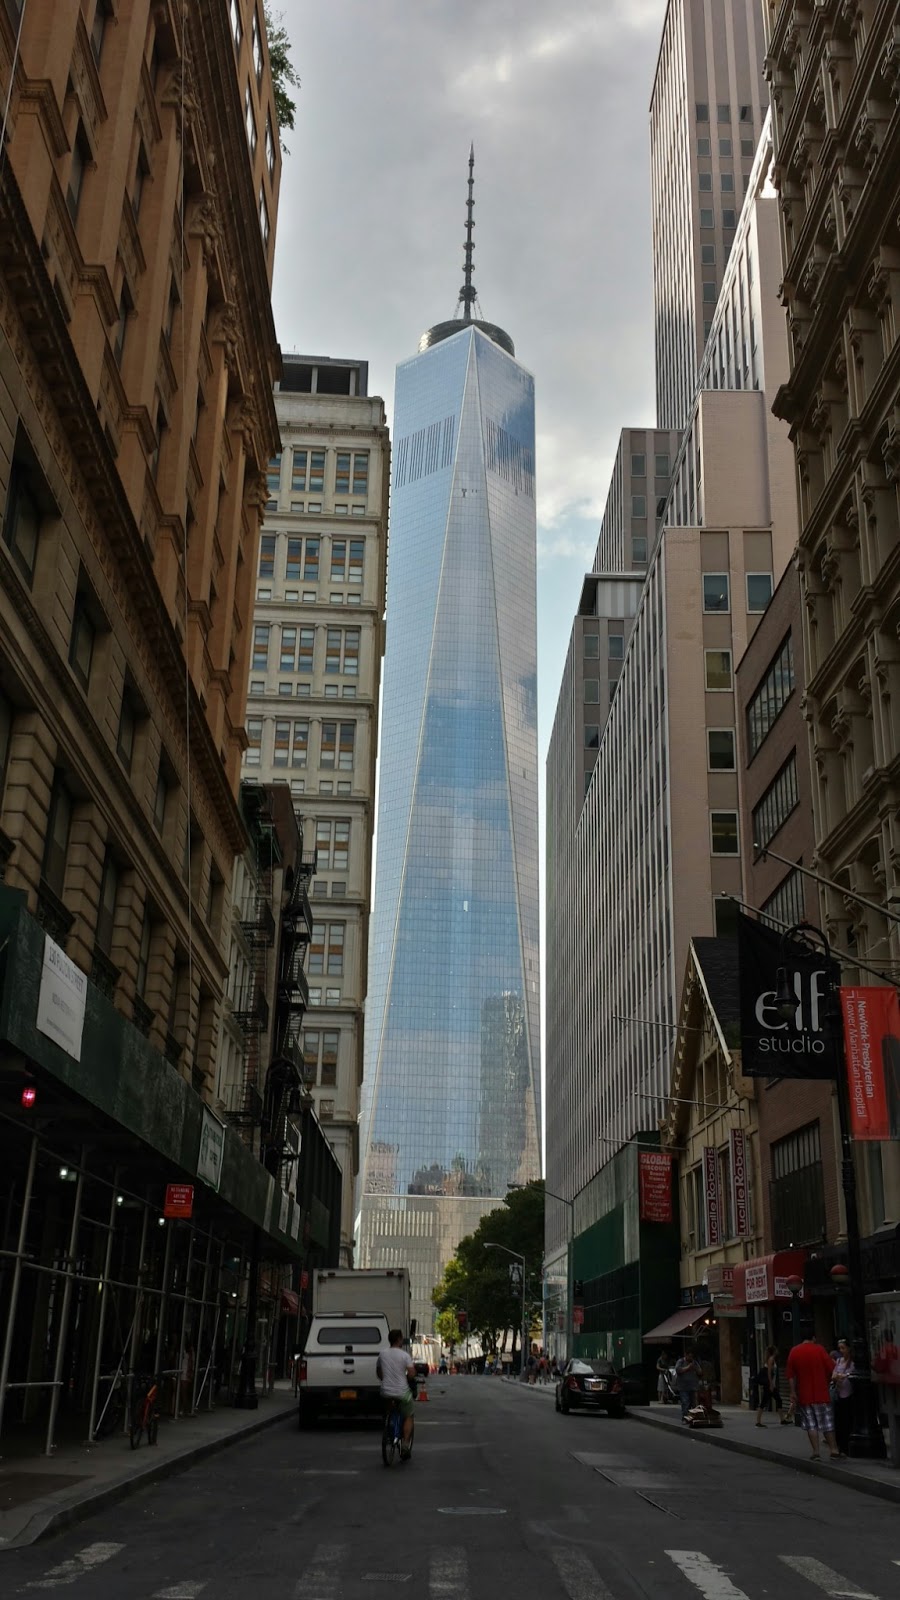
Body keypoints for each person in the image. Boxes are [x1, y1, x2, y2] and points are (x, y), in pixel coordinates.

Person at [785, 1334, 838, 1461]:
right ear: (813, 1338)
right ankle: (834, 1450)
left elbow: (790, 1375)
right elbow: (832, 1368)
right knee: (827, 1423)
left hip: (804, 1394)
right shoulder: (819, 1349)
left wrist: (793, 1392)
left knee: (811, 1425)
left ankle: (816, 1452)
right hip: (821, 1393)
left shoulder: (794, 1351)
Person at [377, 1328, 416, 1460]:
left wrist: (386, 1379)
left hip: (385, 1391)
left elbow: (379, 1373)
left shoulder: (382, 1354)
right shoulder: (404, 1355)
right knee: (409, 1415)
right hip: (402, 1391)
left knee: (389, 1409)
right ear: (399, 1339)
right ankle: (405, 1444)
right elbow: (411, 1374)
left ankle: (388, 1427)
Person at [831, 1337, 855, 1457]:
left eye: (843, 1348)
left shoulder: (853, 1363)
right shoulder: (839, 1361)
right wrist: (836, 1376)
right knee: (838, 1422)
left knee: (846, 1421)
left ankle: (845, 1447)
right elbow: (833, 1374)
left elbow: (851, 1374)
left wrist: (843, 1375)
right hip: (839, 1394)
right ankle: (840, 1446)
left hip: (848, 1394)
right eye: (840, 1348)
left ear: (849, 1349)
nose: (841, 1350)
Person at [755, 1345, 781, 1427]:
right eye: (776, 1350)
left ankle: (782, 1419)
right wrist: (771, 1384)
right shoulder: (771, 1359)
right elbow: (769, 1373)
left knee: (777, 1400)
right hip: (769, 1385)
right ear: (773, 1351)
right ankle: (758, 1421)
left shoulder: (771, 1359)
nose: (777, 1351)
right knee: (765, 1401)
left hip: (770, 1384)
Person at [674, 1347, 701, 1418]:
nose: (690, 1358)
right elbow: (678, 1370)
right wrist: (688, 1367)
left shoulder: (694, 1362)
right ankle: (685, 1417)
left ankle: (693, 1417)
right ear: (685, 1355)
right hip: (683, 1387)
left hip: (693, 1386)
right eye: (689, 1356)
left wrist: (696, 1369)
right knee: (685, 1403)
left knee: (694, 1404)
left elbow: (700, 1372)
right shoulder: (681, 1361)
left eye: (692, 1356)